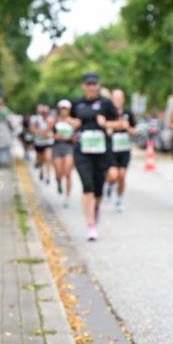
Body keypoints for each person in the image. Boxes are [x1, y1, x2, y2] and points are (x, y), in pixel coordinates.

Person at [70, 73, 117, 241]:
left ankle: (96, 209)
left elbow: (121, 123)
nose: (91, 87)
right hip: (82, 151)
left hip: (101, 152)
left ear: (98, 85)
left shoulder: (106, 103)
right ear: (83, 86)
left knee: (98, 191)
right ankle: (91, 226)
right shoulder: (76, 104)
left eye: (94, 84)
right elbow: (66, 119)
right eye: (88, 84)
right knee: (87, 188)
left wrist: (107, 124)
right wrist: (72, 123)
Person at [104, 88, 136, 212]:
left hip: (124, 148)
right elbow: (103, 124)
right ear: (111, 99)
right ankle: (109, 186)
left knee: (122, 175)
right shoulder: (107, 112)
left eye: (120, 98)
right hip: (111, 148)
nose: (118, 100)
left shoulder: (128, 113)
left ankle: (119, 200)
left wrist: (127, 128)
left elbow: (134, 131)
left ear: (123, 99)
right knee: (113, 175)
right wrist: (113, 126)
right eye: (115, 98)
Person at [51, 99, 76, 208]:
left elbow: (78, 134)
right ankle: (59, 183)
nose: (64, 111)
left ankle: (67, 197)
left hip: (69, 147)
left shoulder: (73, 121)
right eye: (62, 109)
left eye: (66, 109)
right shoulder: (55, 121)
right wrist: (54, 136)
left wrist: (73, 137)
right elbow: (46, 133)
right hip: (57, 147)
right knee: (58, 173)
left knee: (68, 172)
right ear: (59, 110)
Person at [30, 103, 54, 183]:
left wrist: (41, 132)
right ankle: (41, 170)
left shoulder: (50, 119)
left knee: (48, 158)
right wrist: (40, 132)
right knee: (41, 160)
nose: (44, 113)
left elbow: (49, 129)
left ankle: (48, 176)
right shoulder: (35, 119)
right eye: (43, 112)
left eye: (46, 112)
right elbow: (32, 130)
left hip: (48, 143)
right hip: (39, 143)